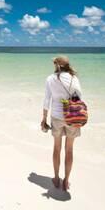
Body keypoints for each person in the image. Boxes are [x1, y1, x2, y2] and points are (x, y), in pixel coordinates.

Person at [41, 56, 82, 191]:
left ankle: (57, 178)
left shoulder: (50, 79)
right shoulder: (74, 78)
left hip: (57, 117)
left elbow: (47, 100)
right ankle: (66, 181)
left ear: (57, 65)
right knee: (69, 150)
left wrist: (44, 118)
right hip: (72, 117)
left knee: (56, 149)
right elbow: (79, 98)